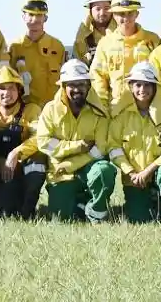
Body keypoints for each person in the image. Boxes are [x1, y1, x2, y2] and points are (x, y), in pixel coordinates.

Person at [34, 59, 117, 222]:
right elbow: (44, 142)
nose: (77, 89)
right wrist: (78, 146)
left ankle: (96, 213)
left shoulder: (99, 111)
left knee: (104, 171)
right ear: (63, 86)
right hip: (59, 173)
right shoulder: (50, 109)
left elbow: (100, 149)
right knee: (61, 220)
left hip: (87, 167)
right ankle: (80, 203)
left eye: (82, 84)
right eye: (72, 84)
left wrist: (71, 164)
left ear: (89, 85)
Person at [107, 61, 161, 225]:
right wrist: (131, 173)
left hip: (157, 173)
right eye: (138, 85)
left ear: (155, 87)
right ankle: (152, 205)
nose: (143, 90)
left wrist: (149, 170)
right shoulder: (121, 116)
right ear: (131, 87)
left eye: (148, 85)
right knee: (139, 220)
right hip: (133, 179)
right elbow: (113, 148)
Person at [0, 64, 45, 219]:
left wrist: (16, 153)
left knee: (38, 162)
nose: (7, 93)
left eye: (12, 88)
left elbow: (40, 138)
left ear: (19, 91)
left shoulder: (32, 111)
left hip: (21, 166)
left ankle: (28, 210)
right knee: (2, 212)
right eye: (2, 88)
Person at [90, 0, 158, 111]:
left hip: (147, 109)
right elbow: (98, 76)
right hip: (117, 109)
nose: (125, 18)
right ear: (114, 16)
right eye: (121, 14)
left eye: (130, 13)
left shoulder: (152, 40)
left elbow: (160, 75)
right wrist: (102, 106)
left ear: (137, 14)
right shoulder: (105, 43)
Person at [8, 0, 65, 115]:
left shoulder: (57, 47)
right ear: (23, 16)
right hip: (24, 112)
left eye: (39, 15)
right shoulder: (14, 47)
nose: (35, 20)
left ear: (45, 18)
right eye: (31, 14)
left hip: (54, 110)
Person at [72, 0, 114, 65]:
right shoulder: (82, 37)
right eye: (98, 9)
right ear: (90, 10)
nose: (102, 13)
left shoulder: (122, 32)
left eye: (107, 8)